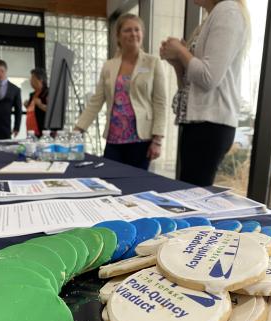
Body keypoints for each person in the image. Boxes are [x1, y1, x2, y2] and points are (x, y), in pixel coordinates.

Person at [160, 0, 250, 187]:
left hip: (210, 124)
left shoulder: (228, 11)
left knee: (192, 194)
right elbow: (190, 86)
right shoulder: (213, 15)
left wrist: (181, 51)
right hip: (200, 123)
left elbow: (208, 77)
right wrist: (178, 61)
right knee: (189, 192)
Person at [75, 13, 166, 170]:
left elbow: (160, 103)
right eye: (127, 30)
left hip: (141, 139)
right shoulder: (109, 66)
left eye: (137, 30)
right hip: (114, 139)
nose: (133, 34)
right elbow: (96, 101)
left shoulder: (153, 63)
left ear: (142, 34)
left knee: (136, 185)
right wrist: (78, 129)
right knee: (109, 179)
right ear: (118, 36)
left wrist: (157, 140)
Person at [24, 68, 48, 137]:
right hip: (30, 131)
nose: (30, 81)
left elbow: (53, 111)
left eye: (32, 79)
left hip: (42, 132)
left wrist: (40, 105)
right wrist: (27, 106)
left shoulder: (47, 93)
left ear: (40, 80)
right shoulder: (32, 94)